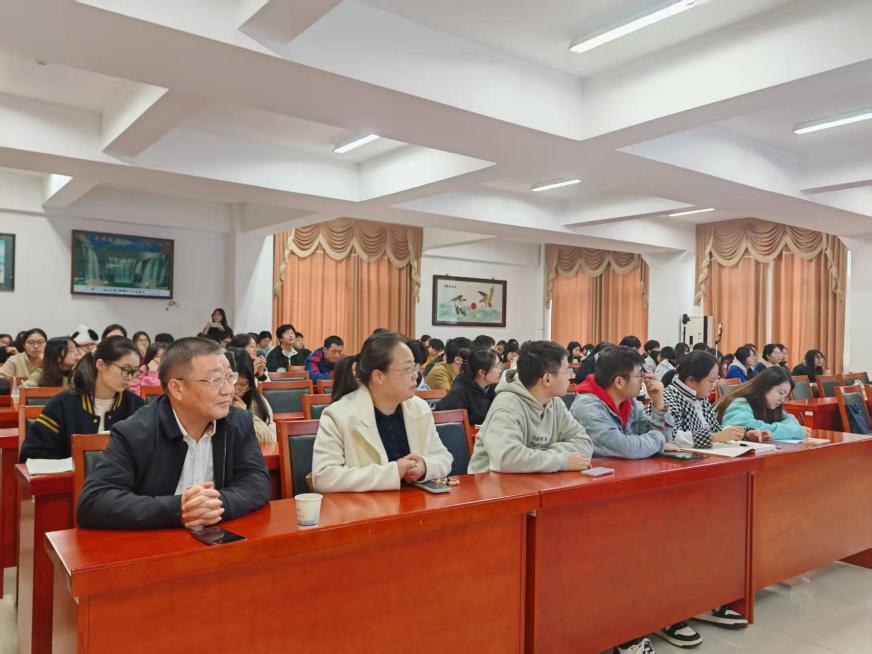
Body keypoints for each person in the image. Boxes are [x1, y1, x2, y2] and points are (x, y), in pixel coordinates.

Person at [571, 346, 700, 651]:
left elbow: (659, 437)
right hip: (594, 500)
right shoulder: (588, 406)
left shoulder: (629, 403)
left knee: (673, 538)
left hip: (631, 487)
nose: (645, 379)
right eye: (639, 375)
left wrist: (659, 404)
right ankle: (625, 624)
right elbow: (626, 447)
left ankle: (660, 611)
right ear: (619, 381)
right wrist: (655, 441)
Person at [77, 337, 271, 529]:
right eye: (216, 381)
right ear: (177, 388)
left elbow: (257, 481)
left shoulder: (238, 422)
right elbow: (94, 501)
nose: (228, 390)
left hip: (219, 535)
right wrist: (179, 509)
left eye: (229, 377)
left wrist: (217, 503)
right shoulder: (135, 431)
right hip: (159, 539)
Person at [311, 331, 453, 493]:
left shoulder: (419, 408)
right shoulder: (338, 415)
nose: (416, 376)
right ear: (378, 376)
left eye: (415, 367)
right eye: (407, 369)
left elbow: (444, 457)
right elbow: (324, 477)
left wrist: (425, 467)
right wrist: (392, 472)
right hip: (366, 507)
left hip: (415, 504)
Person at [468, 341, 591, 473]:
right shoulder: (507, 405)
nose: (571, 376)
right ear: (547, 379)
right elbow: (507, 458)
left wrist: (538, 459)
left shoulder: (555, 402)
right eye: (566, 371)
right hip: (491, 483)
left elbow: (585, 444)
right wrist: (562, 460)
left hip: (533, 479)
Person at [19, 337, 145, 462]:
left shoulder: (136, 405)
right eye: (125, 370)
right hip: (70, 475)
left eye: (134, 372)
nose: (130, 378)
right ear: (100, 365)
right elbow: (32, 454)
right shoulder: (63, 404)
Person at [663, 351, 768, 449]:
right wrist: (713, 437)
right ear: (691, 380)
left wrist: (744, 434)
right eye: (711, 381)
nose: (714, 386)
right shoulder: (668, 398)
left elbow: (715, 429)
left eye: (716, 380)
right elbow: (669, 437)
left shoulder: (700, 396)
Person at [718, 366, 811, 440]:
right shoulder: (741, 401)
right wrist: (792, 431)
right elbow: (740, 428)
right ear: (766, 387)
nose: (783, 400)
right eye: (781, 393)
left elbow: (791, 420)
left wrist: (789, 430)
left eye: (785, 396)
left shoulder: (770, 405)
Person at [435, 347, 500, 426]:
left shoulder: (494, 388)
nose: (500, 370)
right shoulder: (458, 394)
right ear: (482, 372)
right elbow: (446, 426)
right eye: (496, 366)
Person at [232, 354, 275, 444]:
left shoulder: (259, 402)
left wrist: (246, 417)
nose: (235, 391)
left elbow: (271, 440)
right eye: (232, 383)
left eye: (243, 385)